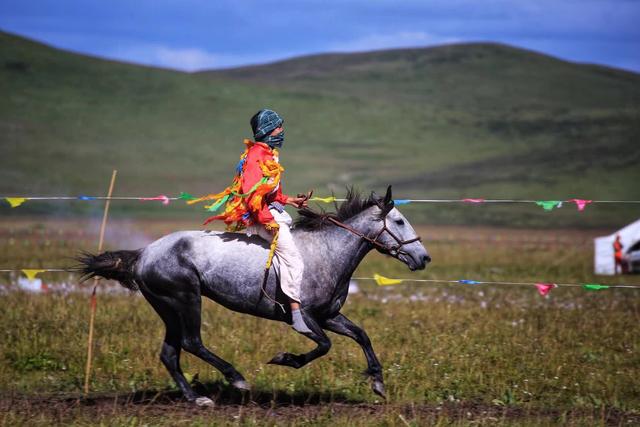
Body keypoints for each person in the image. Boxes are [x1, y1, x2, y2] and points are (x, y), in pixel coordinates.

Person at [188, 109, 311, 333]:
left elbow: (268, 193)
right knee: (293, 258)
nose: (282, 131)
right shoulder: (256, 157)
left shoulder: (268, 154)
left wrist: (290, 200)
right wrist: (268, 222)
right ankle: (295, 314)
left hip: (267, 211)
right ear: (266, 131)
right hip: (259, 217)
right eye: (277, 127)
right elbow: (252, 196)